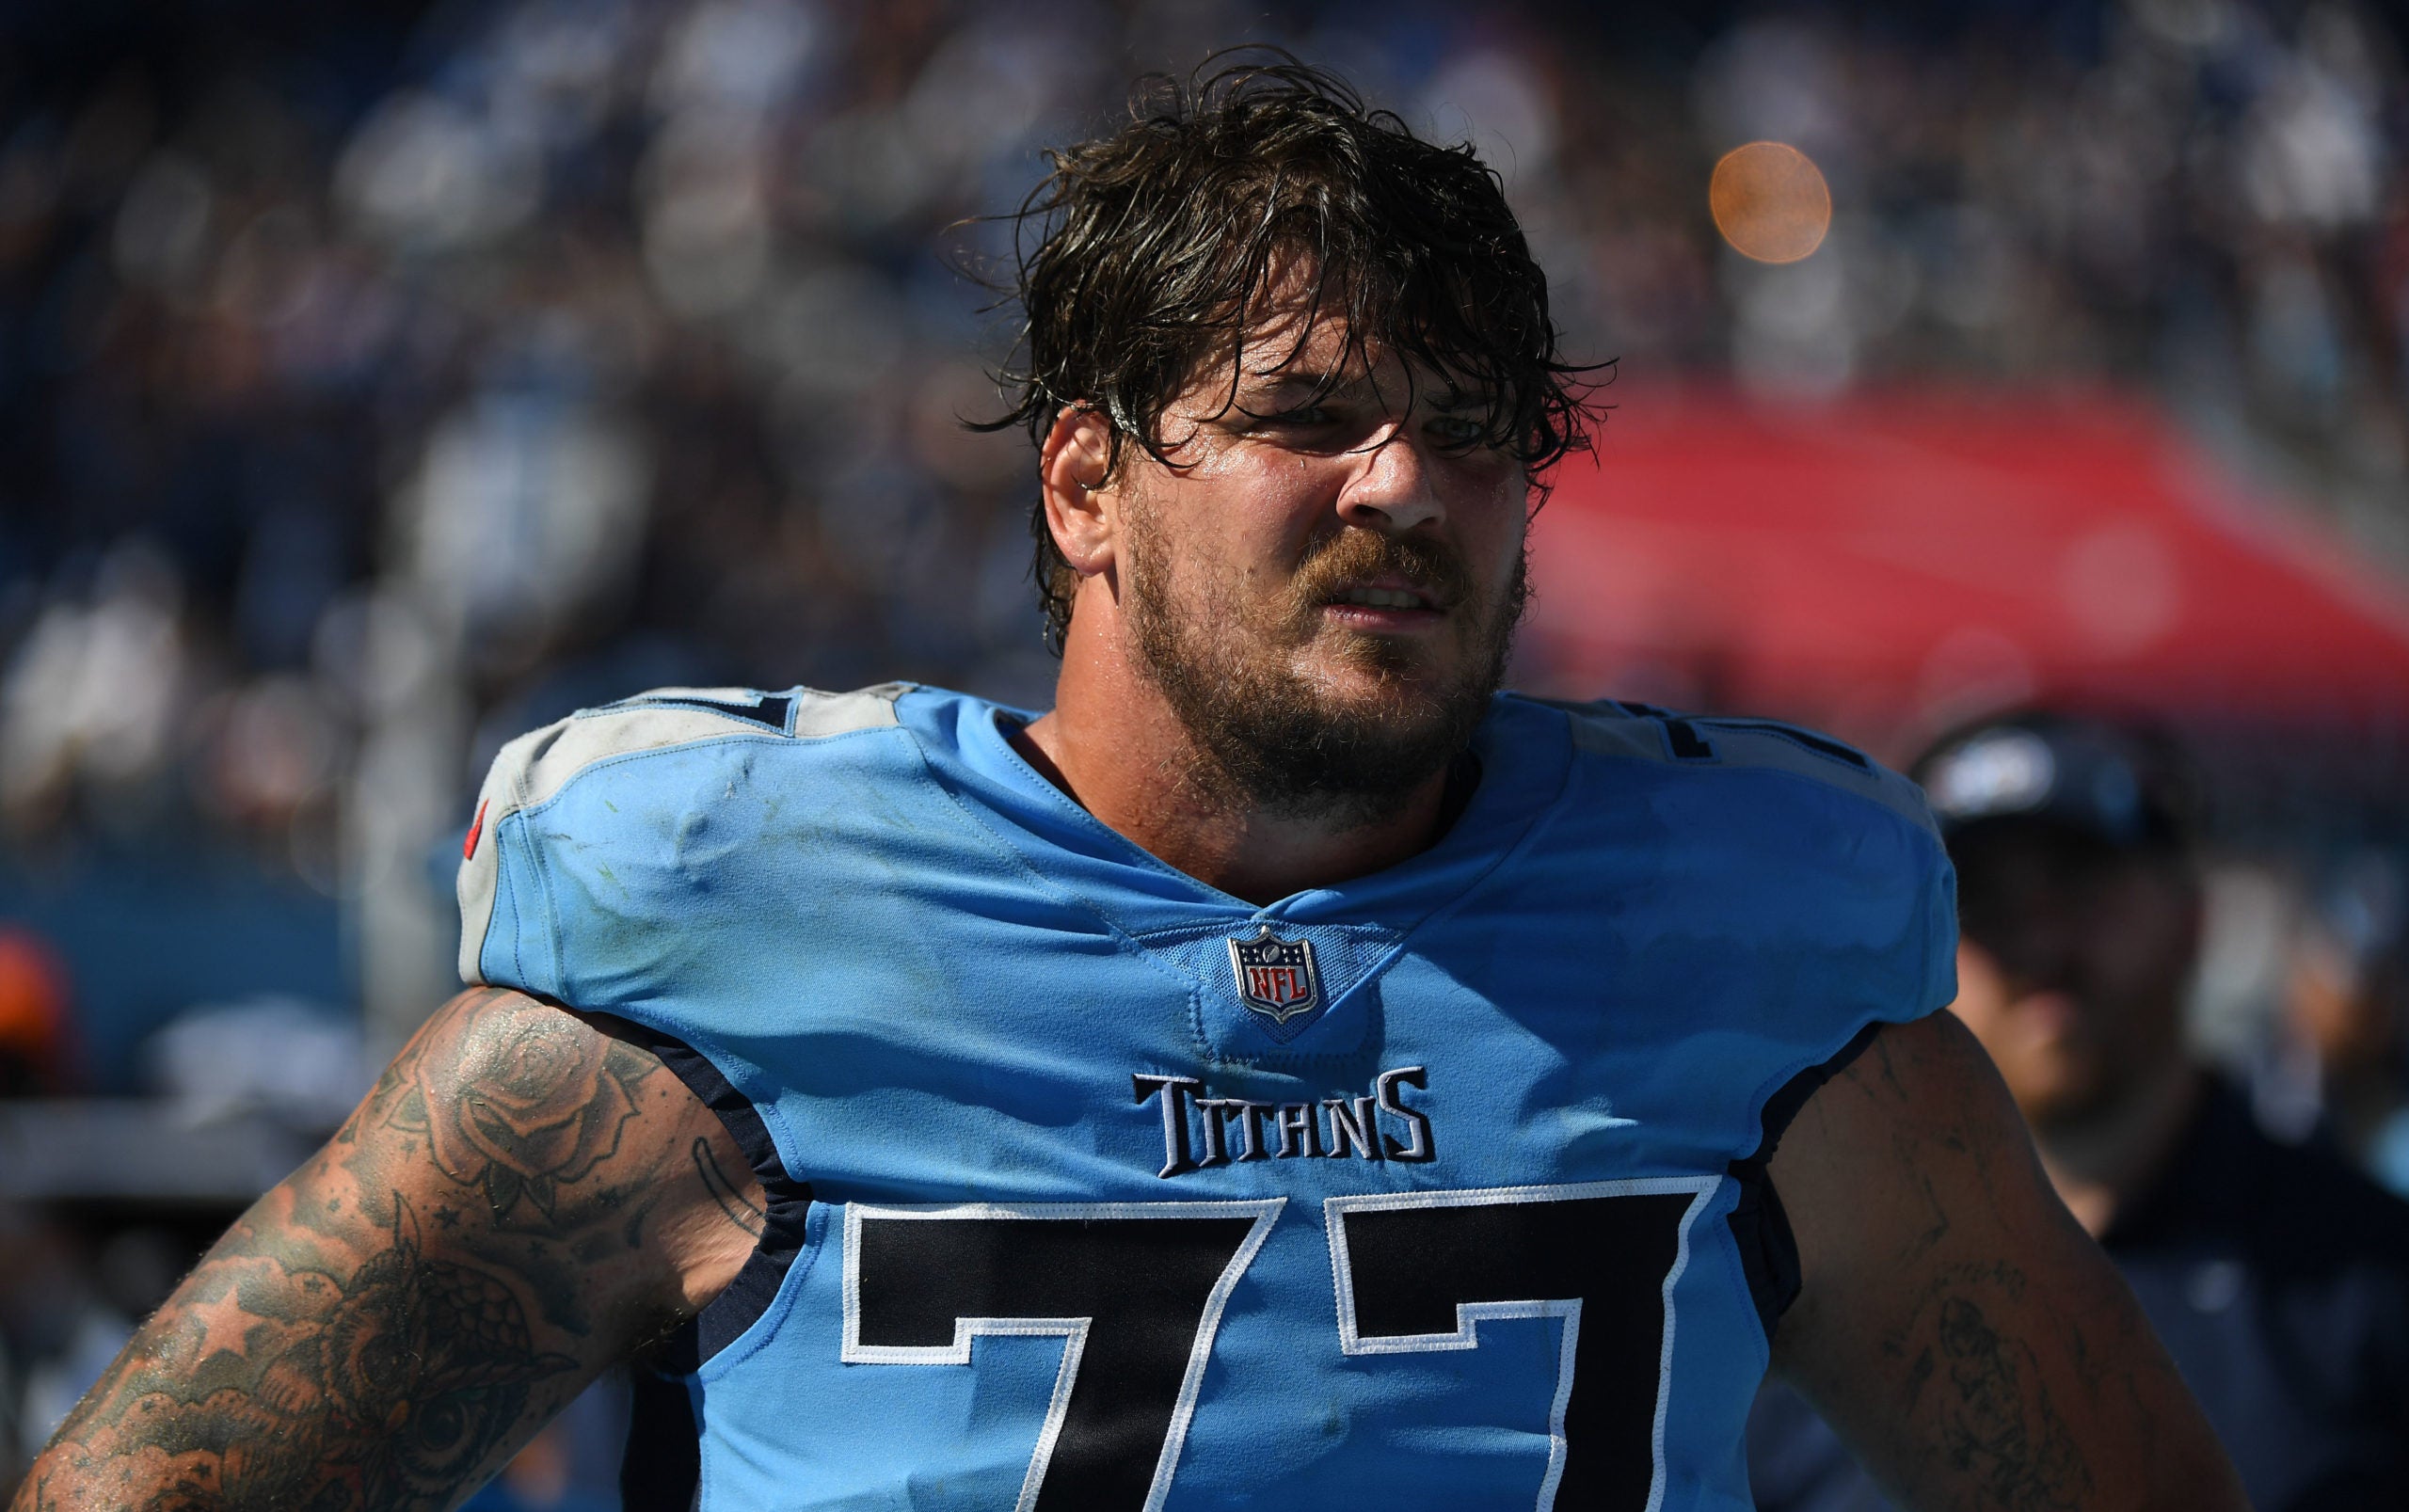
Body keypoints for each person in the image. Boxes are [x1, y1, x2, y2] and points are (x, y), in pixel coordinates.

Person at [15, 60, 2243, 1512]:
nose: (1406, 483)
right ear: (1085, 479)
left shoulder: (1743, 954)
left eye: (1475, 429)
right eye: (1309, 412)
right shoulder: (742, 927)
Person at [1749, 711, 2409, 1510]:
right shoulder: (1798, 1306)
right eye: (1980, 895)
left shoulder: (2368, 1287)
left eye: (2080, 877)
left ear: (2193, 918)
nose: (2039, 936)